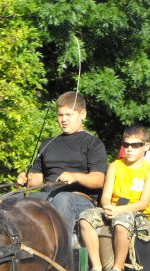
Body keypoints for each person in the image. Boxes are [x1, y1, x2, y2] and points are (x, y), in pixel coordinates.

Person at [16, 91, 107, 239]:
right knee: (13, 199)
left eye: (68, 115)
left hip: (79, 199)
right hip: (47, 196)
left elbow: (99, 180)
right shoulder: (47, 144)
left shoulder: (93, 144)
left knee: (63, 199)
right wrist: (26, 179)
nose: (63, 119)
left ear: (82, 114)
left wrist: (76, 176)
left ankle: (61, 254)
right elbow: (36, 181)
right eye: (60, 115)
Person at [79, 124, 150, 271]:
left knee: (122, 222)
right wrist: (109, 207)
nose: (129, 149)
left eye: (135, 145)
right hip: (114, 208)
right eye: (126, 144)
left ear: (146, 146)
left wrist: (119, 210)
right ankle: (96, 267)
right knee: (85, 218)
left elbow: (143, 203)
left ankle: (117, 268)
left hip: (139, 214)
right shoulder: (115, 166)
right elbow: (106, 197)